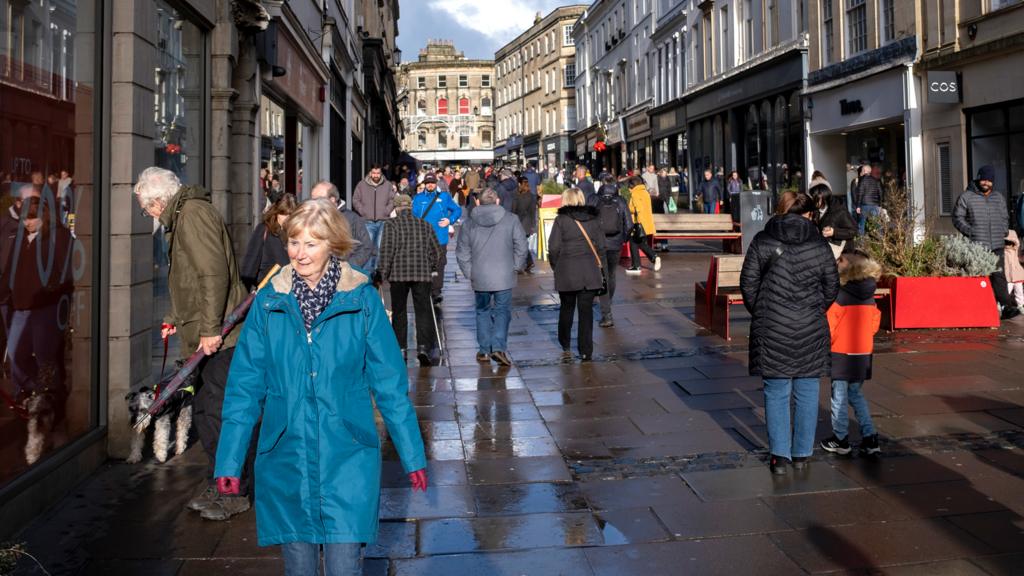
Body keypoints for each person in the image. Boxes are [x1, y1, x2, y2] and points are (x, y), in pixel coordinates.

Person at [214, 199, 427, 576]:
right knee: (299, 567)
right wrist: (229, 459)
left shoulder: (360, 299)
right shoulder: (268, 302)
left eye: (311, 243)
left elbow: (390, 385)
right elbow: (245, 387)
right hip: (287, 455)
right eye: (294, 242)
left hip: (347, 454)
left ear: (333, 244)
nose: (300, 253)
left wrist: (412, 455)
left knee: (346, 565)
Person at [133, 166, 251, 520]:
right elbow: (187, 278)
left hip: (220, 336)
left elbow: (213, 272)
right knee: (207, 411)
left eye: (146, 208)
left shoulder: (192, 215)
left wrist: (211, 328)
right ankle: (221, 482)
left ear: (158, 202)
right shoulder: (182, 216)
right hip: (208, 331)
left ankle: (233, 490)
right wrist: (173, 316)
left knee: (217, 412)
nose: (147, 214)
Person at [740, 191, 839, 475]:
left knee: (776, 391)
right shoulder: (819, 244)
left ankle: (779, 457)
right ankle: (802, 454)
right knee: (807, 391)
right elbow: (832, 286)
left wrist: (762, 310)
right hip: (810, 325)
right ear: (808, 215)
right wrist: (814, 308)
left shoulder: (763, 239)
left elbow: (748, 283)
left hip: (771, 326)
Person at [4, 186, 73, 424]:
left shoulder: (59, 235)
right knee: (16, 355)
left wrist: (53, 290)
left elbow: (67, 270)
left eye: (32, 220)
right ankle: (37, 392)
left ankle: (52, 400)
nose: (27, 225)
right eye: (24, 220)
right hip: (22, 306)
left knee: (46, 356)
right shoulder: (22, 237)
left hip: (47, 307)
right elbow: (11, 269)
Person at [820, 251, 882, 458]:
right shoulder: (869, 294)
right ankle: (869, 436)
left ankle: (841, 439)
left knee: (838, 397)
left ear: (850, 267)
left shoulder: (840, 295)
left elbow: (829, 325)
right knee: (856, 393)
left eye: (841, 260)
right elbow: (874, 324)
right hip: (863, 351)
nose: (837, 262)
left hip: (841, 351)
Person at [456, 189, 527, 367]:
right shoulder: (511, 219)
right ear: (497, 201)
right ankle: (498, 346)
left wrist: (470, 272)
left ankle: (485, 349)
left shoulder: (469, 224)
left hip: (480, 274)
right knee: (502, 311)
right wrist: (516, 266)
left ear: (478, 202)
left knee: (482, 311)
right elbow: (522, 246)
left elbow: (462, 252)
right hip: (504, 274)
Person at [377, 193, 442, 365]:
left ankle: (401, 348)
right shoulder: (425, 224)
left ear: (397, 209)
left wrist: (381, 273)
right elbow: (436, 251)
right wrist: (431, 266)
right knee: (423, 311)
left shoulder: (391, 225)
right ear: (410, 207)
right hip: (421, 274)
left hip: (398, 275)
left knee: (399, 312)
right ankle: (423, 347)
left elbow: (386, 251)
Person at [954, 165, 1019, 320]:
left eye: (989, 180)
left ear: (993, 182)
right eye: (983, 179)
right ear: (978, 178)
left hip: (996, 244)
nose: (986, 182)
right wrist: (970, 231)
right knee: (977, 277)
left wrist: (1003, 230)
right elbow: (957, 217)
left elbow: (1005, 217)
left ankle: (1006, 307)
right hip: (977, 245)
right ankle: (976, 309)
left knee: (999, 276)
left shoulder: (998, 197)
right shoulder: (967, 196)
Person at [547, 188, 605, 362]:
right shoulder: (593, 219)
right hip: (589, 271)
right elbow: (601, 246)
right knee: (586, 313)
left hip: (567, 270)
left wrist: (556, 266)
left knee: (566, 308)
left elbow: (554, 247)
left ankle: (565, 342)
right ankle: (586, 350)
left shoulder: (561, 220)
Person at [588, 176, 633, 328]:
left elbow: (587, 221)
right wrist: (623, 239)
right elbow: (629, 224)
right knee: (612, 274)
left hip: (599, 243)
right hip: (616, 243)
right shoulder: (620, 200)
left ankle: (607, 314)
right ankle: (608, 303)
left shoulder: (594, 199)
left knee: (603, 277)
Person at [412, 174, 462, 303]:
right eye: (427, 182)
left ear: (436, 183)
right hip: (423, 238)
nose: (430, 185)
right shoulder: (418, 198)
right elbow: (413, 215)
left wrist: (449, 220)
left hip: (440, 237)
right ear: (424, 184)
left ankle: (436, 291)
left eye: (432, 182)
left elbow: (457, 210)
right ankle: (425, 288)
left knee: (439, 264)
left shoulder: (444, 197)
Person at [309, 181, 375, 270]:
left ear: (332, 200)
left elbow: (365, 247)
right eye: (312, 199)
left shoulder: (352, 218)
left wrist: (348, 267)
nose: (314, 203)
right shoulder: (311, 217)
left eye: (318, 199)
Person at [239, 193, 297, 290]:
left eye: (290, 214)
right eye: (283, 213)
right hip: (268, 292)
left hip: (291, 294)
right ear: (276, 212)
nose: (287, 218)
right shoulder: (264, 230)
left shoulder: (297, 233)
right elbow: (249, 267)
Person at [352, 164, 395, 271]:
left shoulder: (388, 185)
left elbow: (392, 200)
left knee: (381, 248)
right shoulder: (361, 185)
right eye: (374, 173)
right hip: (367, 221)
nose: (376, 175)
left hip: (383, 221)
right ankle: (367, 272)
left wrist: (386, 211)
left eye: (378, 173)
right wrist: (363, 211)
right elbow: (355, 200)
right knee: (368, 248)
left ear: (381, 173)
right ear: (370, 173)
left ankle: (377, 273)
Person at [810, 175, 858, 257]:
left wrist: (834, 232)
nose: (812, 200)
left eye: (814, 198)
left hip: (841, 253)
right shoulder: (815, 211)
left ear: (822, 198)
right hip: (824, 250)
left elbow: (854, 231)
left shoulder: (839, 211)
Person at [624, 176, 661, 275]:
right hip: (646, 223)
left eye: (629, 186)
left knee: (634, 243)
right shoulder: (645, 192)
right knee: (640, 243)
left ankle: (643, 262)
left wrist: (637, 222)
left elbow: (638, 209)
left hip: (638, 223)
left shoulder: (635, 193)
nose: (628, 189)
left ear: (633, 185)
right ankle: (644, 262)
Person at [512, 176, 541, 274]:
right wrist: (533, 224)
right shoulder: (532, 196)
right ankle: (528, 263)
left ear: (519, 184)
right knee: (522, 244)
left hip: (519, 223)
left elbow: (514, 211)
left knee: (518, 245)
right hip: (528, 224)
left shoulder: (517, 196)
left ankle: (526, 263)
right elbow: (533, 211)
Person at [853, 164, 883, 235]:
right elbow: (880, 193)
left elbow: (860, 193)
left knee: (861, 225)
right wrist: (880, 205)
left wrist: (858, 206)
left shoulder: (862, 180)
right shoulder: (876, 180)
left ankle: (862, 243)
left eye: (862, 170)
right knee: (876, 224)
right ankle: (882, 240)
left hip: (864, 205)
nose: (861, 172)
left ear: (864, 171)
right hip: (875, 205)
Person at [1005, 230, 1024, 310]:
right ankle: (1003, 305)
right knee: (1006, 291)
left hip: (1017, 275)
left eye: (1011, 242)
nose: (1009, 244)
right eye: (1007, 242)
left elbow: (1021, 259)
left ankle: (1021, 305)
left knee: (1019, 292)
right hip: (1008, 276)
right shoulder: (1004, 252)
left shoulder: (1017, 251)